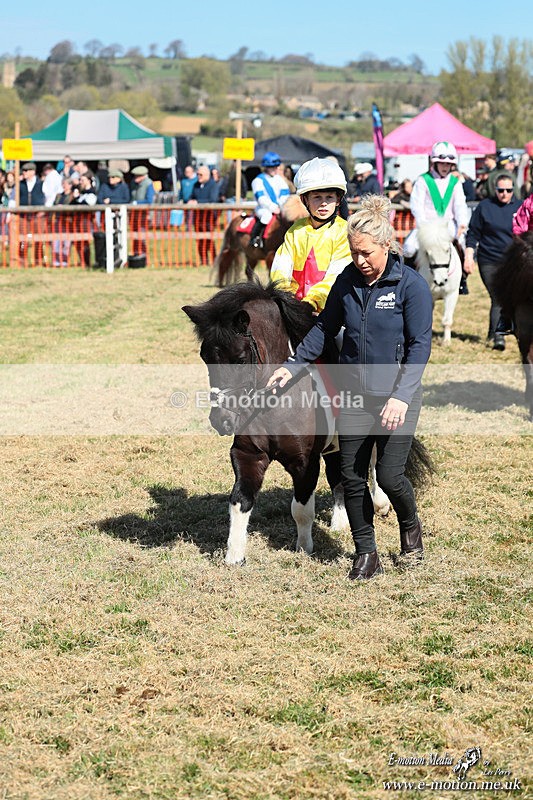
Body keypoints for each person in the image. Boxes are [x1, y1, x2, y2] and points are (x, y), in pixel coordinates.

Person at [267, 195, 433, 580]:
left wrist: (400, 396)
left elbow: (419, 347)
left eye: (366, 253)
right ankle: (366, 553)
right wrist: (291, 367)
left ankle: (410, 527)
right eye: (354, 252)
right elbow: (324, 329)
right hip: (354, 395)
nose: (359, 260)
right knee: (352, 475)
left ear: (386, 246)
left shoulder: (411, 287)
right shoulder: (346, 282)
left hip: (396, 397)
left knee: (390, 478)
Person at [270, 157, 352, 313]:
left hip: (330, 310)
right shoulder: (295, 230)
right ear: (304, 199)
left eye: (329, 197)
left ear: (338, 200)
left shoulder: (344, 232)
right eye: (317, 197)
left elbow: (336, 275)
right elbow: (281, 268)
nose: (323, 204)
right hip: (293, 307)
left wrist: (312, 302)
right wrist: (283, 297)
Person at [464, 174, 522, 351]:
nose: (504, 194)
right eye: (501, 190)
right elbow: (473, 233)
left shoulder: (520, 207)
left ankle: (494, 332)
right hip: (488, 260)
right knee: (498, 297)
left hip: (512, 262)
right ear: (494, 190)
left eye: (508, 190)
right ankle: (499, 338)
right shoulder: (484, 207)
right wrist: (468, 255)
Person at [405, 140, 470, 291]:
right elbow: (416, 206)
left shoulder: (456, 182)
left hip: (448, 226)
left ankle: (461, 280)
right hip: (426, 226)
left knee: (462, 246)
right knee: (409, 248)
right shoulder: (423, 180)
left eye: (448, 164)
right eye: (442, 163)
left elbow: (460, 205)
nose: (445, 167)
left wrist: (462, 224)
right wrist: (423, 226)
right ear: (434, 163)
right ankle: (407, 280)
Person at [250, 152, 291, 248]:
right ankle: (256, 238)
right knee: (266, 216)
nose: (274, 169)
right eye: (271, 167)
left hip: (279, 207)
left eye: (276, 166)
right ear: (266, 167)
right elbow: (261, 198)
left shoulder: (279, 179)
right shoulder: (258, 181)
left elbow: (285, 194)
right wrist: (273, 207)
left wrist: (280, 206)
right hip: (263, 208)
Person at [188, 165, 220, 265]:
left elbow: (213, 199)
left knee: (209, 239)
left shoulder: (213, 185)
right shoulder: (196, 185)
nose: (198, 176)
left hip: (209, 217)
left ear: (207, 175)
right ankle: (204, 260)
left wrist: (197, 202)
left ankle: (214, 260)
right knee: (199, 239)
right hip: (198, 217)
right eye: (197, 174)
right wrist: (190, 201)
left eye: (200, 174)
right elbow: (191, 196)